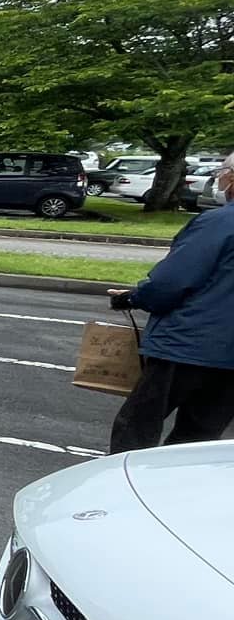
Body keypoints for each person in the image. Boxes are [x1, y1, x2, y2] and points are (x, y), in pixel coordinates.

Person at [106, 156, 234, 451]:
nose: (219, 179)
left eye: (222, 173)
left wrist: (132, 298)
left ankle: (123, 489)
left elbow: (170, 283)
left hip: (189, 344)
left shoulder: (219, 223)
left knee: (137, 427)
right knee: (198, 439)